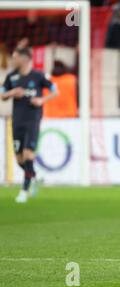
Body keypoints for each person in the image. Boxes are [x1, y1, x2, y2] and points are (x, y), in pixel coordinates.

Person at [0, 47, 58, 203]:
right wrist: (12, 93)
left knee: (28, 155)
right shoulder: (12, 77)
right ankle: (34, 177)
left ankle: (24, 191)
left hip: (33, 119)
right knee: (20, 159)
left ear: (24, 58)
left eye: (15, 57)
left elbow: (55, 90)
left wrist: (42, 100)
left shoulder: (38, 76)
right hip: (17, 120)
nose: (13, 60)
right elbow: (2, 94)